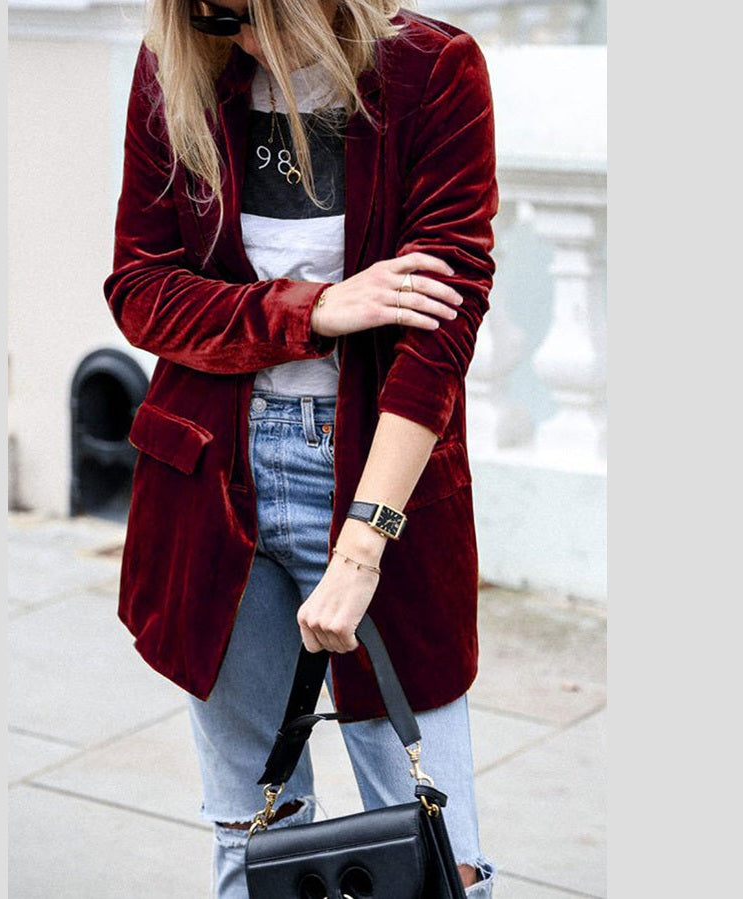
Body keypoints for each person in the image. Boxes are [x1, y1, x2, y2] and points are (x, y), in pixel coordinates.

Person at [104, 1, 499, 895]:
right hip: (210, 482)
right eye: (206, 16)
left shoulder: (431, 71)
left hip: (375, 471)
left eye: (245, 12)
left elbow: (438, 333)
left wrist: (362, 545)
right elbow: (140, 287)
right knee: (253, 836)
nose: (232, 35)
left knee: (440, 856)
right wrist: (312, 308)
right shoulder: (179, 64)